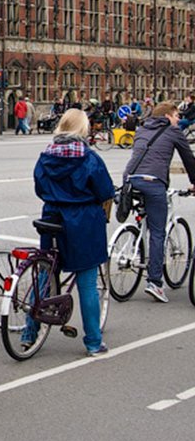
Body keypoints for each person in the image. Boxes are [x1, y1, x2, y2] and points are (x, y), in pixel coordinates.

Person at [31, 109, 114, 356]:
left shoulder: (45, 156)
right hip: (83, 221)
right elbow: (105, 191)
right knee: (87, 283)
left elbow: (39, 187)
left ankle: (28, 333)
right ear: (82, 129)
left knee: (46, 276)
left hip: (53, 217)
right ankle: (93, 342)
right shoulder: (89, 158)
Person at [123, 101, 195, 303]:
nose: (179, 119)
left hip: (131, 180)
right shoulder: (173, 132)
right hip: (154, 183)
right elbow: (188, 159)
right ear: (168, 116)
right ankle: (154, 282)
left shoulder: (142, 129)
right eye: (176, 115)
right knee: (157, 231)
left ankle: (134, 243)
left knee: (144, 219)